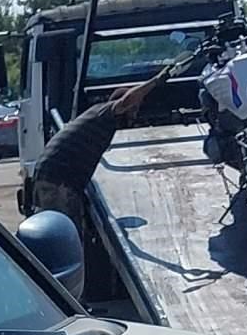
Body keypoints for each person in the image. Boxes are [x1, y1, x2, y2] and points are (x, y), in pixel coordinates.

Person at [27, 74, 167, 230]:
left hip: (53, 175)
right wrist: (157, 80)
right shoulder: (105, 113)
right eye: (133, 109)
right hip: (58, 179)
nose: (134, 115)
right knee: (65, 232)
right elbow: (127, 100)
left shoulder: (99, 118)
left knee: (64, 229)